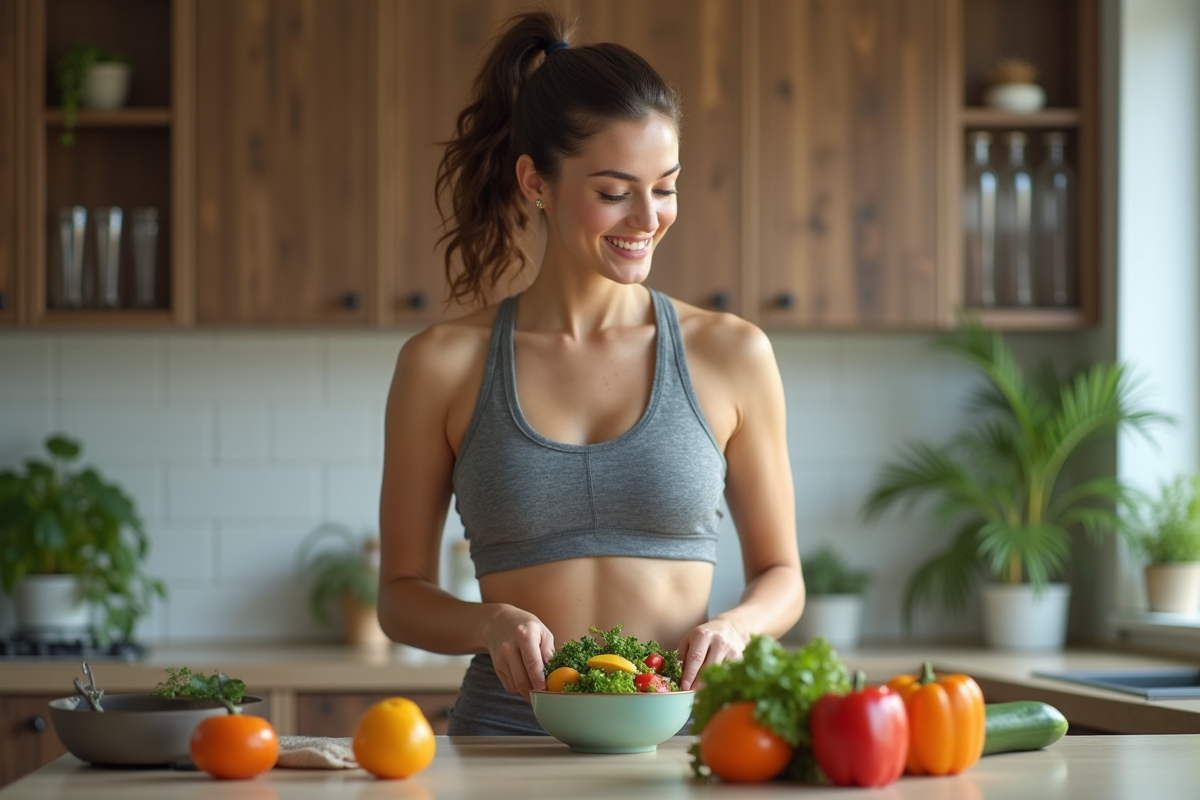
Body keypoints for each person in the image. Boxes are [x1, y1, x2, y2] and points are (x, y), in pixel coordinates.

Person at [378, 10, 803, 736]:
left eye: (664, 187)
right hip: (504, 746)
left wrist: (737, 626)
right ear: (535, 182)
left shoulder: (732, 354)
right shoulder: (441, 363)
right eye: (614, 191)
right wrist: (489, 623)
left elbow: (782, 576)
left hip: (682, 742)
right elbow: (400, 595)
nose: (647, 217)